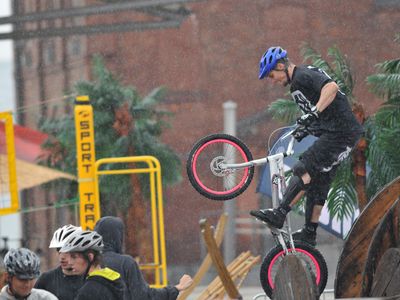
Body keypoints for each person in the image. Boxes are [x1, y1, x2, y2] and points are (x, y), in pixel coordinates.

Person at [250, 46, 364, 246]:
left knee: (304, 167)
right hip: (335, 132)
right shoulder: (296, 85)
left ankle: (280, 213)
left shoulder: (302, 76)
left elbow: (331, 88)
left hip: (341, 133)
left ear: (280, 65)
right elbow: (322, 112)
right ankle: (309, 233)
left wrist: (313, 113)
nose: (273, 80)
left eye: (272, 75)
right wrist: (308, 126)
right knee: (318, 185)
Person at [94, 216, 193, 300]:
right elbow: (143, 296)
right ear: (117, 236)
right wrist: (177, 288)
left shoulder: (88, 262)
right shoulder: (125, 263)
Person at [59, 230, 126, 300]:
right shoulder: (112, 280)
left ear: (90, 257)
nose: (70, 262)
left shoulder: (89, 290)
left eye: (74, 257)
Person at [34, 224, 85, 300]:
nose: (62, 257)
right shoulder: (47, 279)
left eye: (67, 251)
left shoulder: (91, 278)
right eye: (59, 250)